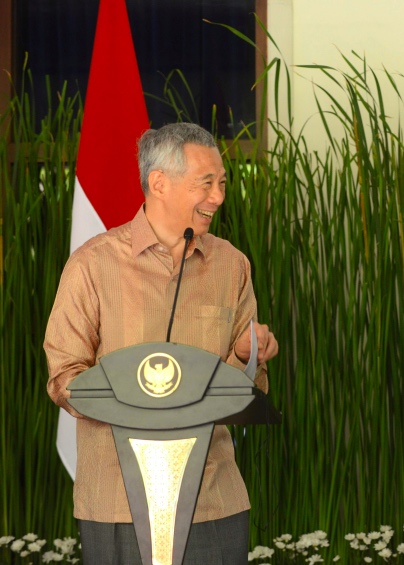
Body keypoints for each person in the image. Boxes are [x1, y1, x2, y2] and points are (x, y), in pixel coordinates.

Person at [44, 122, 278, 564]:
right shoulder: (92, 265)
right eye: (205, 183)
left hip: (212, 500)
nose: (218, 197)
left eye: (222, 183)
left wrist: (246, 356)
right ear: (159, 183)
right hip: (116, 500)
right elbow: (64, 377)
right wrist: (138, 399)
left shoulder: (231, 265)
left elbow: (250, 389)